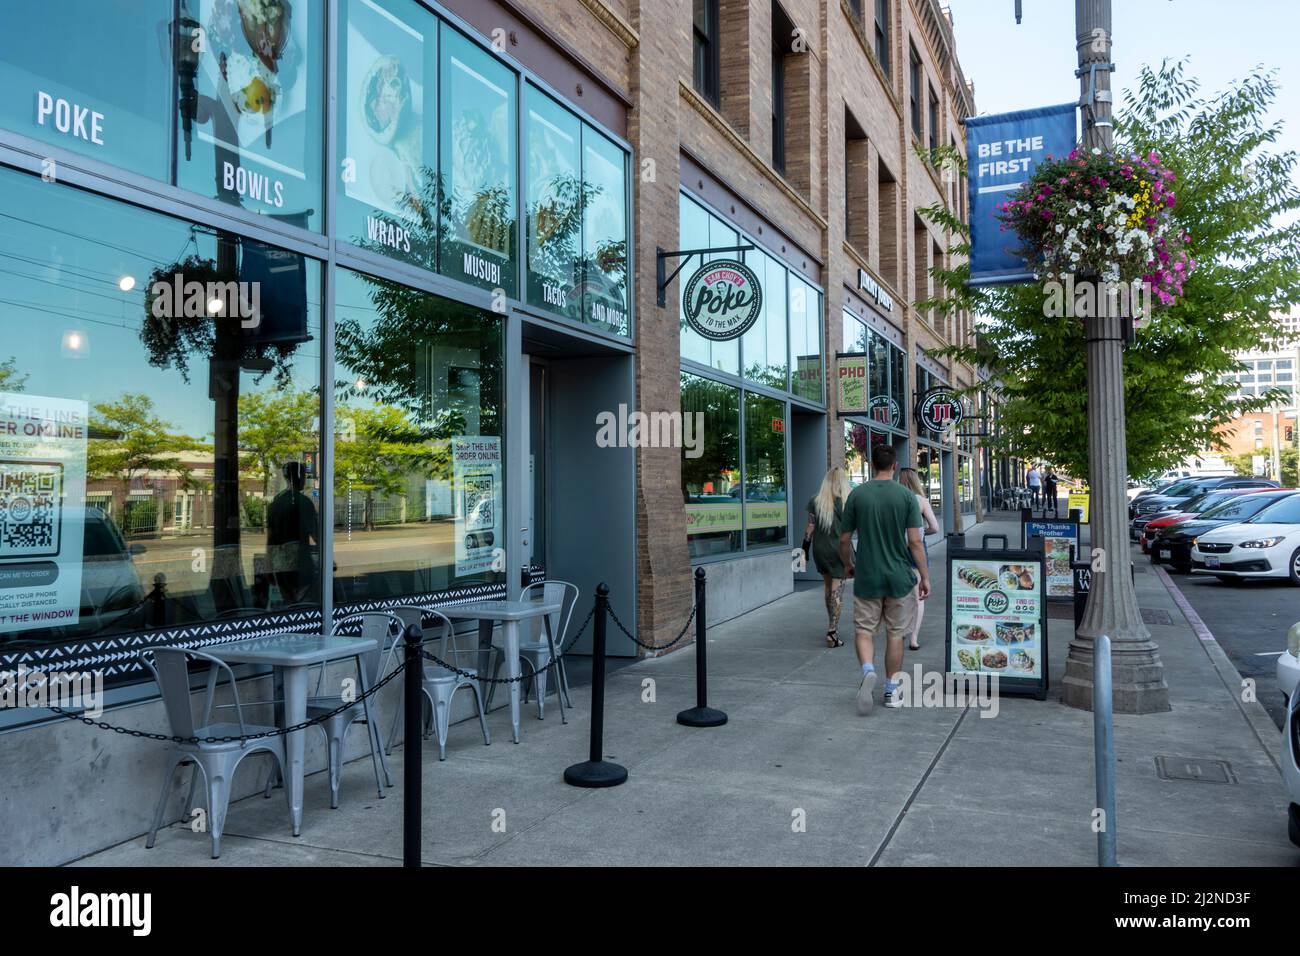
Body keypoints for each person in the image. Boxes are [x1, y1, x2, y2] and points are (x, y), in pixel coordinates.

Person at [838, 444, 930, 714]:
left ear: (871, 464)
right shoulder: (906, 497)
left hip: (867, 574)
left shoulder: (857, 495)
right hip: (899, 577)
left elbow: (844, 539)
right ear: (894, 465)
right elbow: (915, 541)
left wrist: (848, 564)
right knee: (896, 634)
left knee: (864, 631)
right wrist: (924, 576)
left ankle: (868, 670)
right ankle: (891, 689)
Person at [803, 466, 853, 648]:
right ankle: (832, 630)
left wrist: (804, 551)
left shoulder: (815, 501)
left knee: (828, 587)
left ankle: (831, 624)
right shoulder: (847, 501)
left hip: (820, 549)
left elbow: (810, 528)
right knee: (838, 590)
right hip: (840, 549)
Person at [897, 467, 940, 651]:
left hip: (897, 550)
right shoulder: (921, 500)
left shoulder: (895, 499)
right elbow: (935, 527)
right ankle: (914, 638)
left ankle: (901, 630)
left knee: (900, 595)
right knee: (918, 596)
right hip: (916, 550)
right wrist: (922, 533)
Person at [266, 461, 320, 604]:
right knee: (305, 600)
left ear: (285, 477)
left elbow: (270, 539)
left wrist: (269, 565)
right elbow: (316, 535)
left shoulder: (275, 504)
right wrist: (326, 558)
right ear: (299, 476)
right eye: (303, 475)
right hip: (301, 561)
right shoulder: (305, 503)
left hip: (280, 562)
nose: (304, 479)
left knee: (288, 600)